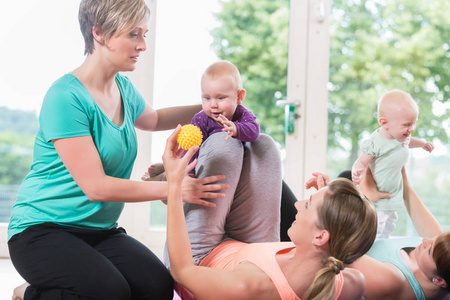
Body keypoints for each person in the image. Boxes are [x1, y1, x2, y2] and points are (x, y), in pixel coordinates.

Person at [8, 1, 228, 299]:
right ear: (99, 33)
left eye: (144, 34)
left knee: (158, 288)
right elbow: (96, 187)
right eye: (134, 35)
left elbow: (155, 119)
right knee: (111, 292)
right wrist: (173, 188)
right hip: (42, 231)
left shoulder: (123, 88)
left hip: (99, 231)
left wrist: (213, 107)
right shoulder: (65, 97)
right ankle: (29, 293)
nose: (143, 45)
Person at [162, 126, 378, 300]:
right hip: (248, 247)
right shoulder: (350, 281)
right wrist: (330, 201)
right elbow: (349, 237)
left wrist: (174, 185)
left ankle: (163, 177)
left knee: (224, 145)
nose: (296, 204)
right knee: (263, 146)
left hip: (198, 257)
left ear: (321, 236)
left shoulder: (250, 287)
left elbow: (183, 271)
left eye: (306, 204)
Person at [305, 169, 449, 300]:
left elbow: (338, 244)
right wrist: (401, 179)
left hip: (313, 247)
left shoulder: (392, 282)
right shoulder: (440, 259)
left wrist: (328, 201)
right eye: (434, 240)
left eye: (429, 251)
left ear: (439, 281)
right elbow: (437, 238)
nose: (425, 241)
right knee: (348, 176)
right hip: (337, 235)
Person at [144, 60, 259, 180]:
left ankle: (168, 166)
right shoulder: (201, 119)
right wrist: (190, 172)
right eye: (207, 98)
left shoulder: (242, 115)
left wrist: (236, 129)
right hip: (203, 161)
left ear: (239, 97)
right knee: (186, 157)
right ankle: (167, 169)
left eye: (220, 98)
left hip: (236, 165)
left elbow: (254, 132)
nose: (213, 104)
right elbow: (192, 149)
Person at [351, 89, 434, 238]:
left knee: (389, 226)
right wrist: (357, 170)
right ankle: (370, 255)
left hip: (392, 196)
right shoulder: (376, 143)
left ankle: (382, 247)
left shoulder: (401, 137)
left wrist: (422, 144)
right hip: (376, 199)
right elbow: (361, 161)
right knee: (374, 231)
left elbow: (409, 142)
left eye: (414, 123)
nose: (411, 129)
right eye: (407, 124)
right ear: (384, 123)